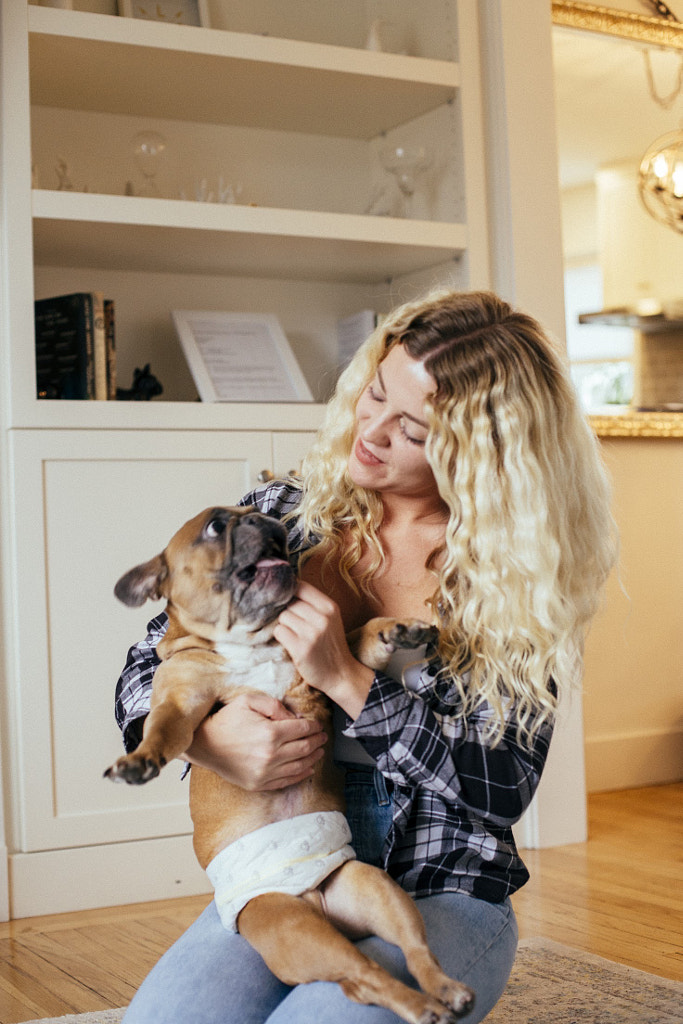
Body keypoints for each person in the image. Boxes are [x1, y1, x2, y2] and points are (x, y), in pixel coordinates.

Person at [115, 289, 616, 1024]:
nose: (370, 432)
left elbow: (501, 783)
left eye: (411, 428)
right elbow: (144, 668)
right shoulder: (286, 514)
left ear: (478, 457)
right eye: (373, 394)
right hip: (281, 877)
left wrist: (347, 678)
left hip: (439, 885)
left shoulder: (515, 578)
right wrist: (214, 742)